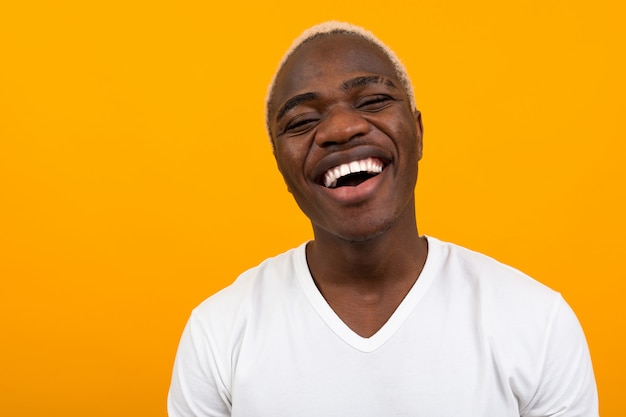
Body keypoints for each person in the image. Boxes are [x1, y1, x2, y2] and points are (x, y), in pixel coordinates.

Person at [168, 21, 598, 416]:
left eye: (373, 100)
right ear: (281, 165)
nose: (340, 128)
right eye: (301, 121)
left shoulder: (536, 321)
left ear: (418, 133)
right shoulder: (218, 334)